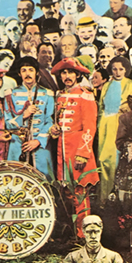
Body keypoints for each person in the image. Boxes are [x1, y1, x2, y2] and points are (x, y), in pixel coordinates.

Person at [50, 57, 99, 236]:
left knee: (80, 193)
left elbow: (90, 127)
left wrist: (83, 153)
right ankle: (73, 234)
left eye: (70, 72)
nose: (67, 76)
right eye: (64, 73)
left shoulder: (85, 94)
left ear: (78, 75)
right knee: (68, 193)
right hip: (62, 151)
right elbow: (59, 122)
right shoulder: (60, 95)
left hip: (78, 150)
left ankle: (83, 234)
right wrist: (54, 129)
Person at [4, 56, 54, 178]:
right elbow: (7, 123)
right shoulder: (10, 95)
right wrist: (24, 116)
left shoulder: (47, 94)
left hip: (41, 146)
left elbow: (50, 121)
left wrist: (38, 141)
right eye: (24, 70)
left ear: (36, 73)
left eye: (31, 70)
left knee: (44, 180)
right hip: (18, 146)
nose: (27, 74)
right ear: (19, 74)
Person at [97, 56, 132, 203]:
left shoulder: (130, 84)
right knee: (103, 160)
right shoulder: (106, 85)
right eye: (114, 69)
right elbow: (101, 107)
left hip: (120, 124)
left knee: (116, 160)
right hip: (105, 125)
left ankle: (116, 200)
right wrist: (100, 124)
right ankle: (103, 198)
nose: (118, 72)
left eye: (121, 69)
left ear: (126, 70)